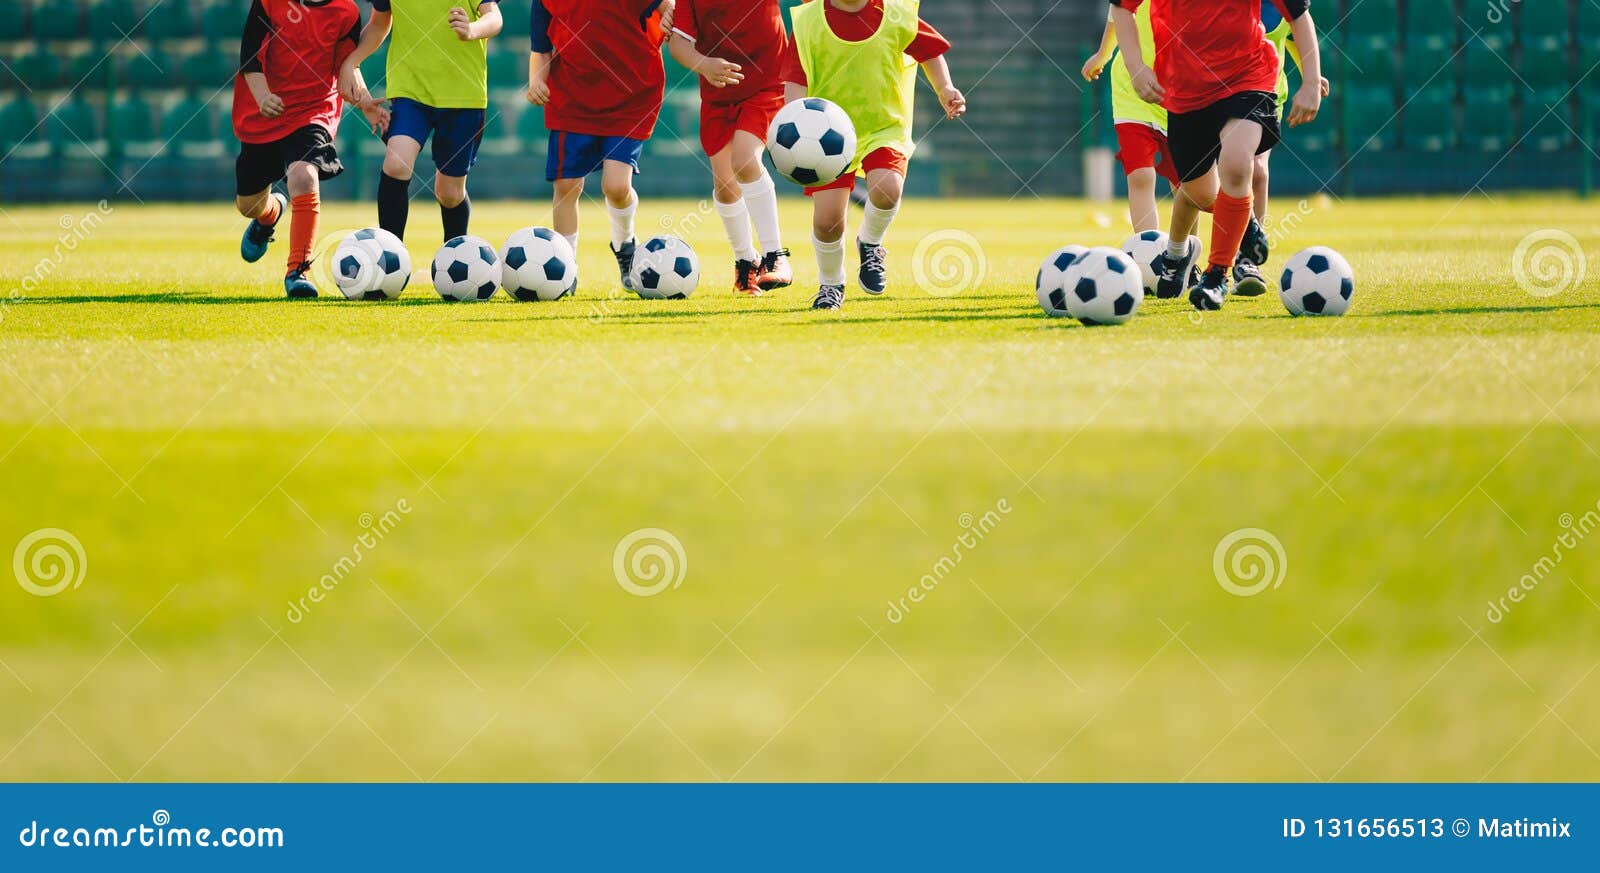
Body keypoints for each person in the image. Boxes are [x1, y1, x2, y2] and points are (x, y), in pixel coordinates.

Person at [1110, 0, 1321, 310]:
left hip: (1247, 79)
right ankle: (1214, 239)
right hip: (1185, 93)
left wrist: (1312, 81)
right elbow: (1121, 8)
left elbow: (1299, 17)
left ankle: (1216, 276)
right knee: (1199, 192)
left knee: (1237, 165)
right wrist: (1135, 66)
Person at [784, 0, 967, 311]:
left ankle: (870, 243)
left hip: (884, 128)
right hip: (825, 135)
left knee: (887, 189)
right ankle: (831, 285)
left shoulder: (896, 14)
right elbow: (795, 79)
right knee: (828, 221)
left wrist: (945, 88)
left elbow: (930, 52)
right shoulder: (809, 21)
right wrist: (795, 122)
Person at [235, 0, 387, 298]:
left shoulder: (346, 12)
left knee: (304, 176)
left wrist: (365, 100)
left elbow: (346, 65)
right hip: (263, 110)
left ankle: (298, 271)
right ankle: (270, 213)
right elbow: (249, 57)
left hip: (312, 111)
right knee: (248, 206)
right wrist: (263, 96)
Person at [529, 0, 673, 292]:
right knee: (566, 184)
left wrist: (671, 12)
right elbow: (540, 46)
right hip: (572, 97)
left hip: (632, 95)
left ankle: (626, 245)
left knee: (616, 187)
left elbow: (667, 7)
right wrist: (536, 80)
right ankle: (565, 268)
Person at [341, 0, 502, 243]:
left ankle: (455, 259)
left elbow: (494, 18)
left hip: (463, 95)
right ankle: (389, 255)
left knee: (449, 193)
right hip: (410, 91)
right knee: (397, 163)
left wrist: (471, 29)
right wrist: (352, 61)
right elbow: (379, 23)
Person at [668, 0, 793, 295]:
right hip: (718, 94)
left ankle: (776, 256)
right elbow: (678, 44)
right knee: (725, 186)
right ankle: (746, 262)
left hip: (767, 84)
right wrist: (704, 64)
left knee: (745, 160)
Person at [1081, 3, 1178, 233]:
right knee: (1140, 175)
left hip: (1179, 91)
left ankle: (1182, 254)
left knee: (1184, 185)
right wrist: (1103, 55)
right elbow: (1119, 11)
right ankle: (1148, 248)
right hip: (1130, 92)